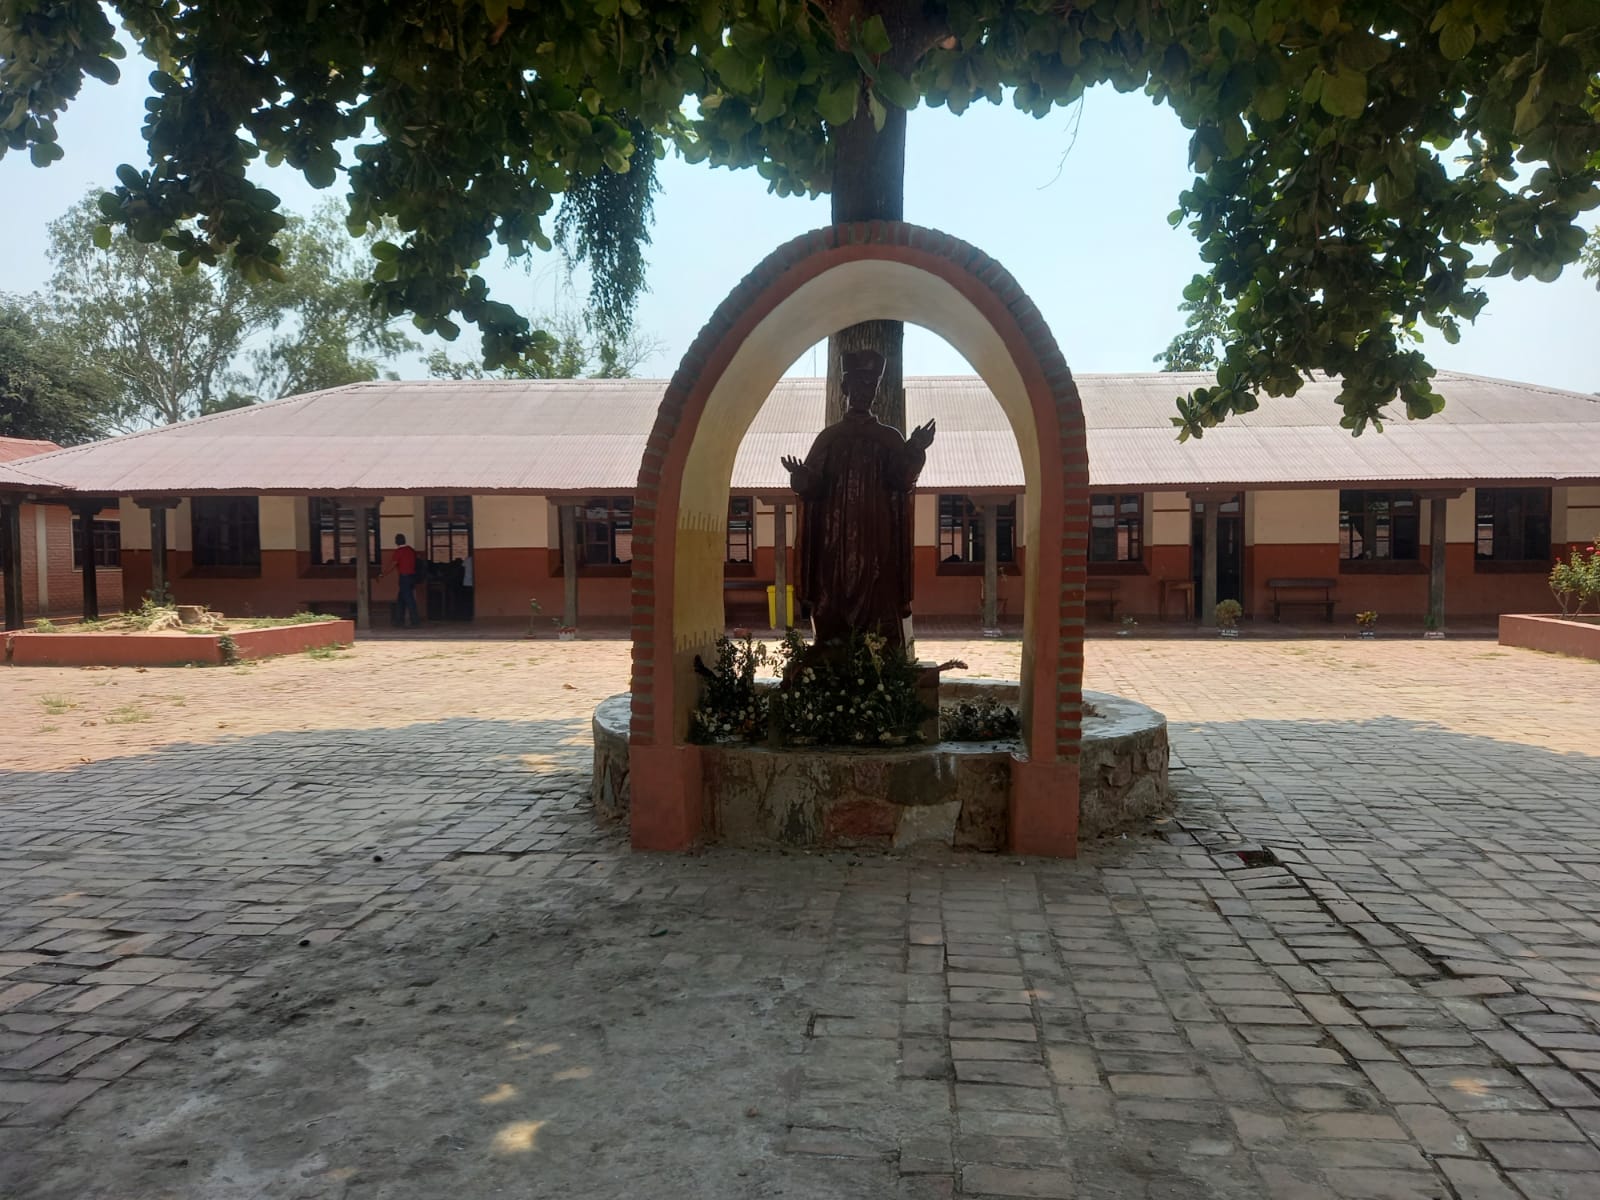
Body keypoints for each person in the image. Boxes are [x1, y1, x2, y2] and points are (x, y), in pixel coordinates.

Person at [781, 349, 935, 648]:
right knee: (831, 594)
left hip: (876, 536)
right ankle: (831, 649)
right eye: (858, 384)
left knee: (880, 593)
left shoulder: (888, 438)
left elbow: (902, 482)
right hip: (834, 538)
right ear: (845, 387)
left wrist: (915, 449)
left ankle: (881, 659)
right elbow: (812, 488)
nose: (864, 391)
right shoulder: (830, 437)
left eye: (870, 385)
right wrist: (802, 477)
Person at [388, 533, 421, 628]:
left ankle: (415, 621)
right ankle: (399, 620)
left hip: (404, 577)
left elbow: (393, 564)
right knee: (401, 599)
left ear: (396, 542)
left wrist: (383, 573)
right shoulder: (411, 550)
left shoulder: (399, 551)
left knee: (409, 600)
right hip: (412, 577)